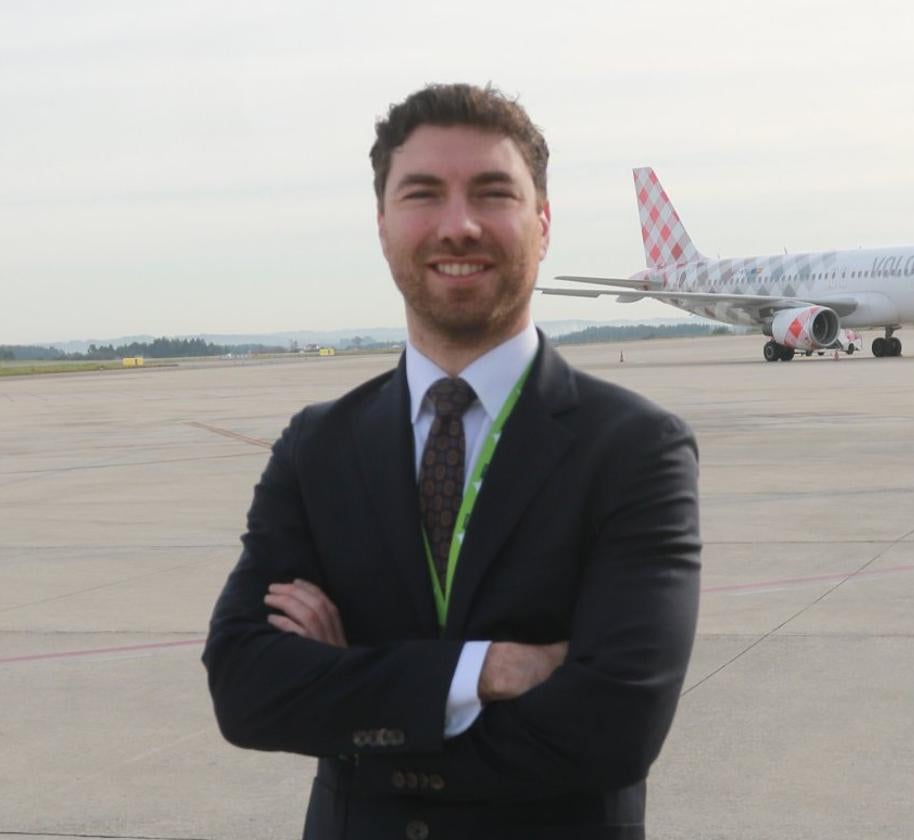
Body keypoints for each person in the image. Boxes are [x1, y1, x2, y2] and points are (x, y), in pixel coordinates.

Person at [203, 83, 701, 840]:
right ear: (382, 225)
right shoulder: (317, 446)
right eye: (423, 194)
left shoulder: (635, 448)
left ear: (542, 222)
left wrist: (355, 701)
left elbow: (614, 727)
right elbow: (245, 689)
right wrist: (486, 672)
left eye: (493, 193)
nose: (458, 225)